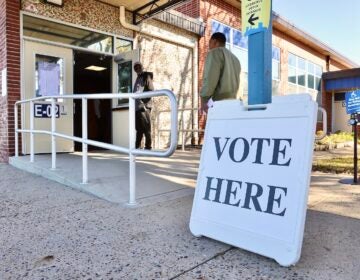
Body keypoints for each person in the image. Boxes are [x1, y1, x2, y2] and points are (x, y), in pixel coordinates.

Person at [200, 32, 241, 114]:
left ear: (214, 41)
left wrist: (204, 99)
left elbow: (210, 78)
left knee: (217, 126)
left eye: (210, 43)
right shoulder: (236, 59)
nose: (209, 46)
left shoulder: (215, 53)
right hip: (235, 104)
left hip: (219, 104)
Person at [133, 62, 154, 149]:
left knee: (146, 128)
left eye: (139, 67)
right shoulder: (138, 78)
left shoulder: (146, 77)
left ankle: (148, 147)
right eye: (136, 68)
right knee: (138, 129)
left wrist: (144, 104)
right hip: (137, 108)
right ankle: (136, 147)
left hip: (144, 107)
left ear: (142, 67)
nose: (138, 69)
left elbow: (151, 91)